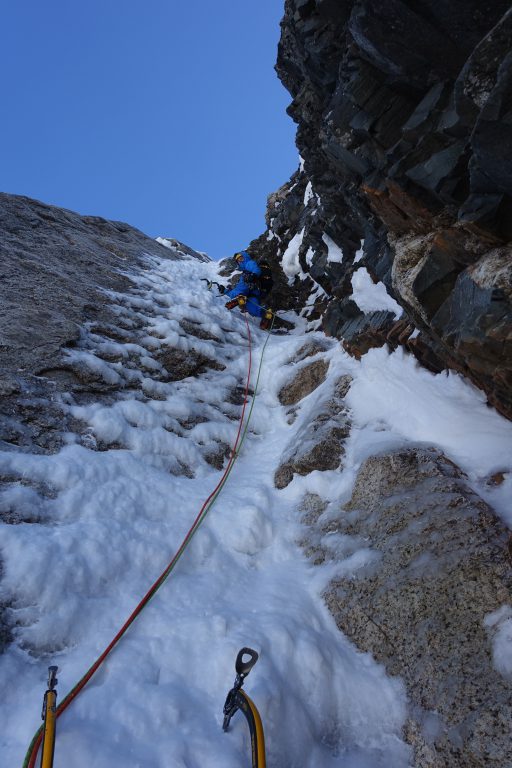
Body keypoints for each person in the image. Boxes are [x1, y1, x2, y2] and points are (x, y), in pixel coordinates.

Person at [225, 251, 274, 330]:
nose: (240, 261)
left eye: (241, 258)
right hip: (254, 292)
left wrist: (253, 275)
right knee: (253, 310)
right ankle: (266, 313)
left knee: (238, 291)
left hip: (248, 286)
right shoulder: (246, 268)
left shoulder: (249, 263)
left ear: (245, 257)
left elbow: (256, 269)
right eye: (238, 260)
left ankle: (239, 298)